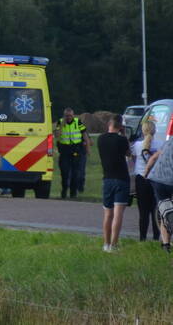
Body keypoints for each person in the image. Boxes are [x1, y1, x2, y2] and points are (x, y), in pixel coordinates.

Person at [97, 115, 132, 252]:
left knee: (108, 214)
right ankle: (114, 244)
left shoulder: (101, 139)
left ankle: (105, 244)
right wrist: (124, 136)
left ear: (109, 125)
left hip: (107, 179)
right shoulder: (122, 140)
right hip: (122, 178)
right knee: (118, 214)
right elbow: (129, 154)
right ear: (120, 127)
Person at [144, 130, 173, 253]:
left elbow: (153, 158)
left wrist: (145, 174)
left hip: (157, 179)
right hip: (170, 180)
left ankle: (166, 245)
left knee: (163, 211)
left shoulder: (168, 142)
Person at [131, 120, 160, 241]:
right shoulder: (160, 144)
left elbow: (132, 158)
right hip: (155, 180)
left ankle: (142, 238)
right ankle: (156, 237)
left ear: (143, 131)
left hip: (141, 180)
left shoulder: (137, 145)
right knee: (155, 210)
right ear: (155, 131)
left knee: (143, 212)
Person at [55, 108, 90, 199]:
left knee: (76, 173)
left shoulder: (77, 122)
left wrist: (88, 148)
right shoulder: (60, 122)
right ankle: (64, 190)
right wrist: (62, 125)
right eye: (67, 116)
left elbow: (84, 135)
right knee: (65, 173)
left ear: (73, 115)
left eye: (70, 115)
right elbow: (57, 136)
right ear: (64, 116)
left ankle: (73, 193)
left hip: (76, 150)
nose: (69, 117)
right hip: (65, 151)